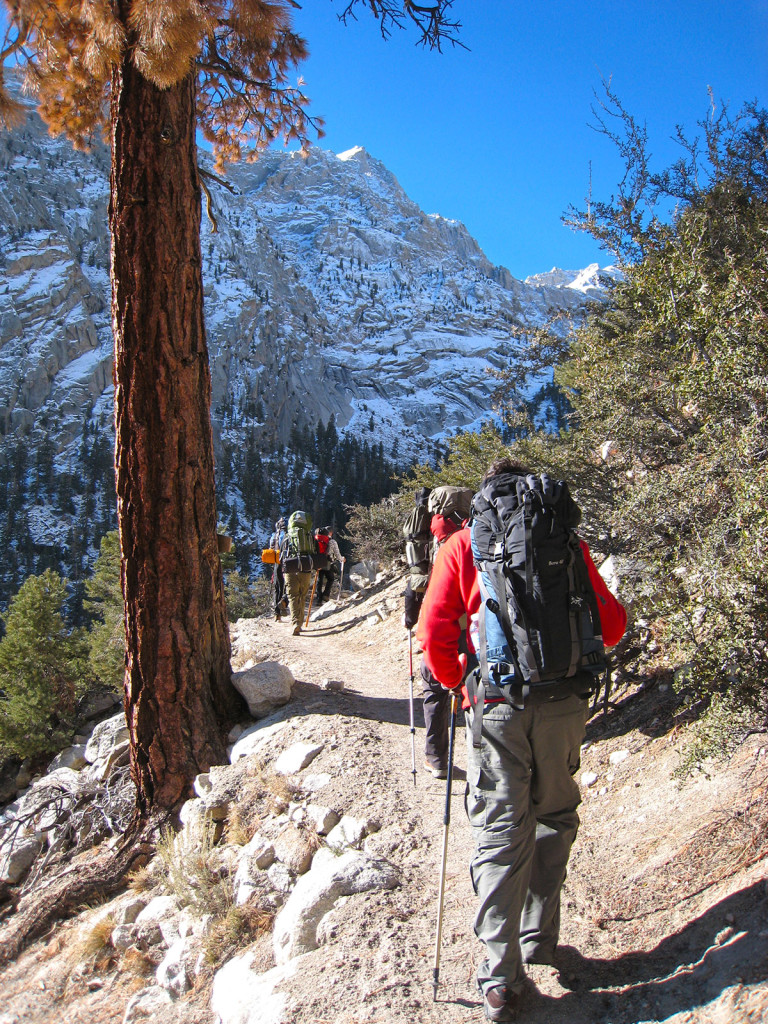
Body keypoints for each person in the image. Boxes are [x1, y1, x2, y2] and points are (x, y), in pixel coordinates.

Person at [417, 458, 627, 1022]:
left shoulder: (461, 547)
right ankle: (540, 938)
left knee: (499, 829)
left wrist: (458, 679)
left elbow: (433, 632)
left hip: (497, 708)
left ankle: (500, 977)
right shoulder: (565, 539)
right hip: (565, 703)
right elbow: (612, 626)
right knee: (554, 815)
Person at [404, 486, 473, 779]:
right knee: (474, 691)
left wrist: (410, 616)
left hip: (439, 628)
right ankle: (482, 759)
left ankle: (436, 758)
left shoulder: (436, 538)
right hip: (472, 630)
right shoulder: (478, 535)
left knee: (434, 691)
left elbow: (416, 573)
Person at [281, 510, 316, 636]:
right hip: (306, 566)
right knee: (302, 594)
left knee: (292, 595)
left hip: (291, 567)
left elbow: (282, 552)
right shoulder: (309, 536)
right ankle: (299, 622)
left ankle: (295, 622)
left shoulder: (287, 536)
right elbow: (314, 551)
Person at [315, 526, 345, 605]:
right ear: (330, 532)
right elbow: (337, 554)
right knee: (330, 578)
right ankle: (326, 595)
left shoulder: (316, 539)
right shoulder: (332, 541)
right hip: (327, 563)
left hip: (317, 562)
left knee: (319, 580)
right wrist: (342, 559)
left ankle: (318, 599)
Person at [269, 517, 288, 621]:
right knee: (286, 587)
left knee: (277, 587)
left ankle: (277, 613)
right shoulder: (287, 535)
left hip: (276, 563)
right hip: (287, 563)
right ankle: (284, 603)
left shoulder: (274, 535)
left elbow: (271, 548)